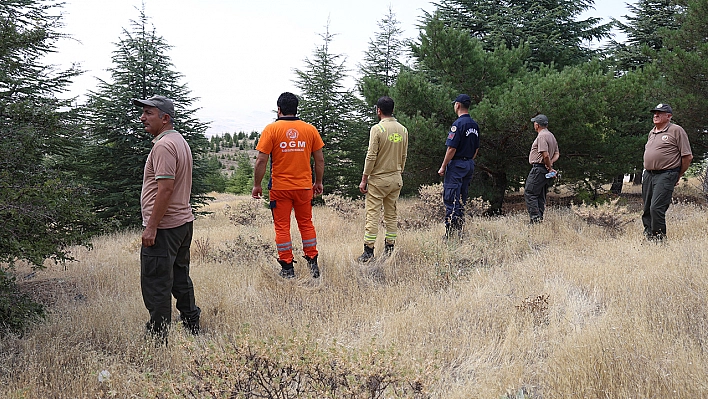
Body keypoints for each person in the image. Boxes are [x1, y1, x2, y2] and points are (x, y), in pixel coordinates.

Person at [133, 95, 201, 340]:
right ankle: (192, 321)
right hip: (182, 223)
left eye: (149, 113)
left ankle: (158, 335)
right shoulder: (179, 140)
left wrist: (151, 227)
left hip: (164, 228)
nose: (142, 117)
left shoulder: (162, 146)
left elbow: (165, 189)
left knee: (156, 283)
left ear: (165, 118)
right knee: (180, 276)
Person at [252, 92, 325, 278]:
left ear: (279, 110)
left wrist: (257, 185)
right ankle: (313, 264)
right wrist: (318, 182)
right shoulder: (310, 130)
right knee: (306, 224)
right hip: (304, 187)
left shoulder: (271, 130)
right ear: (296, 108)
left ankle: (287, 268)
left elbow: (261, 161)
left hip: (280, 188)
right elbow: (320, 160)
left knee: (282, 227)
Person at [357, 96, 409, 262]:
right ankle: (390, 248)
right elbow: (404, 155)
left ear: (378, 110)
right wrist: (399, 172)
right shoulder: (403, 130)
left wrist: (364, 178)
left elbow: (371, 155)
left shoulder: (377, 129)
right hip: (396, 177)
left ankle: (368, 251)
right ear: (392, 110)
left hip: (379, 180)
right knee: (391, 214)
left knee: (373, 214)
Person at [642, 103, 693, 241]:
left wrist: (678, 174)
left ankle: (659, 239)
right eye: (655, 113)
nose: (656, 115)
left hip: (666, 174)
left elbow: (687, 156)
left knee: (656, 208)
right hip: (648, 174)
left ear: (669, 116)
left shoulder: (676, 130)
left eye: (660, 113)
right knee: (647, 208)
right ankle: (648, 238)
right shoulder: (652, 132)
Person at [437, 94, 480, 238]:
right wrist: (468, 160)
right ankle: (459, 229)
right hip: (469, 163)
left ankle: (451, 233)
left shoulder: (458, 125)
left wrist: (443, 166)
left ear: (458, 105)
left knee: (451, 197)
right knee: (461, 197)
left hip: (457, 165)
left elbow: (451, 148)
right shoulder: (474, 125)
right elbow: (476, 149)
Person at [525, 114, 559, 224]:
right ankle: (539, 220)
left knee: (530, 193)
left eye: (534, 123)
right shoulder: (551, 136)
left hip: (539, 169)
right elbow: (557, 153)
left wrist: (549, 167)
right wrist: (550, 165)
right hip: (544, 169)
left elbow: (545, 155)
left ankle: (535, 220)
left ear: (537, 125)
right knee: (539, 195)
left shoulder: (541, 136)